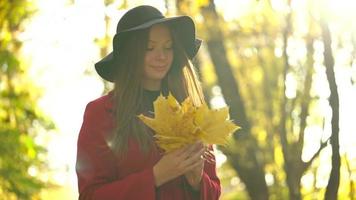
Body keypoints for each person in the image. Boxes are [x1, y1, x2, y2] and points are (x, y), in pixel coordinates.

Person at [75, 5, 221, 200]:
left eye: (168, 47)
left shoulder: (191, 112)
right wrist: (155, 176)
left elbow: (213, 192)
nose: (161, 56)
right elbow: (90, 195)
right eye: (149, 48)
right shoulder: (101, 113)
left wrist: (196, 181)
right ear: (130, 54)